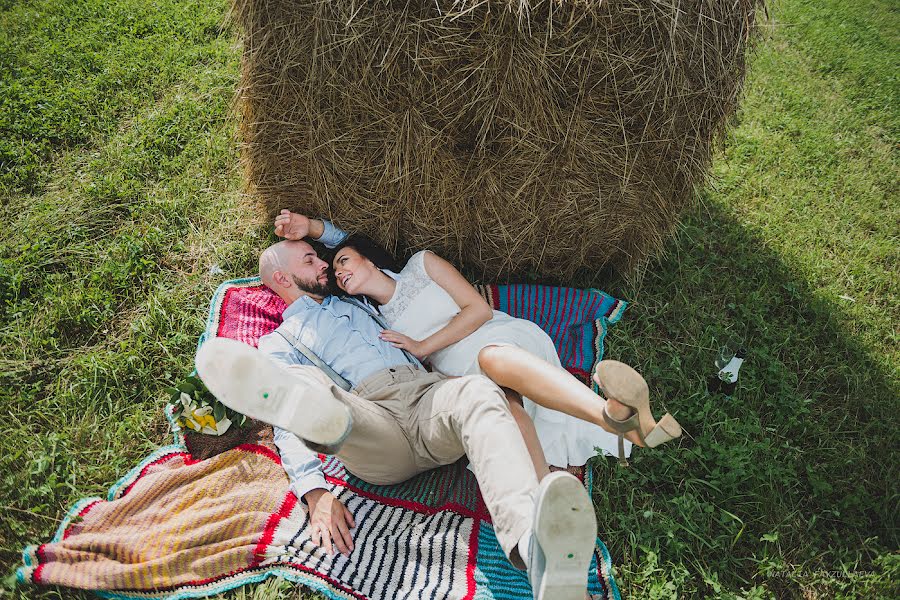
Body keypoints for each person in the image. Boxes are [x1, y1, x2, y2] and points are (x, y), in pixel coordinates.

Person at [195, 230, 618, 599]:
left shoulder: (355, 296)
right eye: (311, 260)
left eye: (323, 257)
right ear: (283, 279)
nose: (324, 264)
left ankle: (532, 546)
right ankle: (324, 416)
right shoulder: (279, 342)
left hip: (426, 398)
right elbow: (283, 425)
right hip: (371, 421)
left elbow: (356, 248)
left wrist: (310, 230)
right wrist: (313, 492)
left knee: (479, 394)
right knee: (319, 400)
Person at [276, 210, 683, 472]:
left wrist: (311, 228)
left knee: (492, 359)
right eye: (336, 272)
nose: (340, 271)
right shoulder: (368, 317)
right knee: (500, 401)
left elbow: (479, 310)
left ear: (366, 255)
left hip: (494, 338)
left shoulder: (421, 264)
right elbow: (319, 282)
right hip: (460, 376)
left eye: (344, 260)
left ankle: (608, 418)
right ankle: (558, 482)